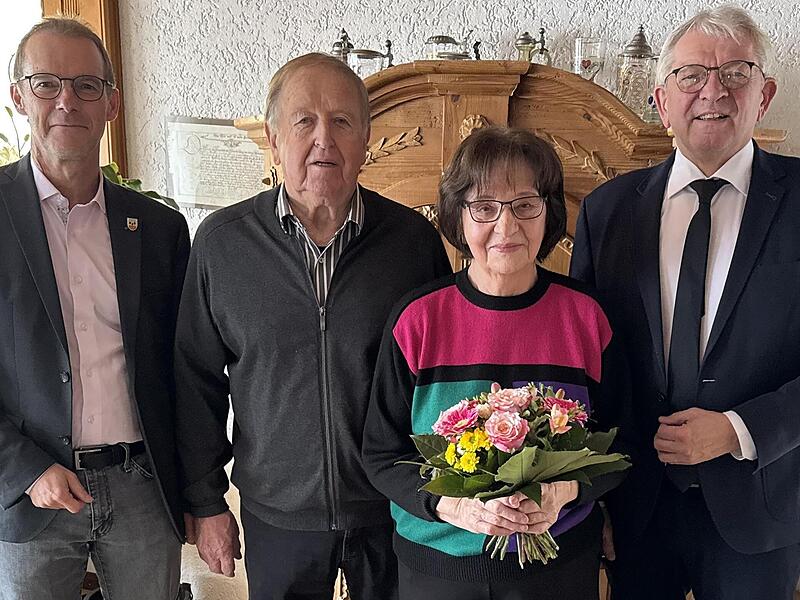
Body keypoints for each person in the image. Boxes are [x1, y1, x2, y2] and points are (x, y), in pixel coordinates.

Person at [174, 52, 451, 599]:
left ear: (366, 142)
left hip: (392, 506)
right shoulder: (222, 244)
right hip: (277, 515)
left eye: (343, 122)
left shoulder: (412, 244)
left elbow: (442, 377)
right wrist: (206, 504)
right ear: (274, 140)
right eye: (304, 121)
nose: (324, 138)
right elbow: (194, 383)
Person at [570, 6, 800, 599]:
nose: (713, 92)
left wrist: (737, 429)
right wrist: (591, 498)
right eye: (692, 75)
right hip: (635, 510)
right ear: (661, 98)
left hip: (763, 508)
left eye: (736, 73)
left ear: (765, 93)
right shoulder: (606, 212)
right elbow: (586, 372)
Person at [363, 126, 627, 600]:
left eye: (525, 205)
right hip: (439, 567)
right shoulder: (416, 319)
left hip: (558, 568)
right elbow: (381, 457)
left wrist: (563, 492)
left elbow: (623, 446)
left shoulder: (588, 317)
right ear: (458, 216)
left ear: (549, 213)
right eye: (484, 208)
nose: (506, 228)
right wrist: (452, 506)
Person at [0, 17, 190, 599]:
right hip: (33, 496)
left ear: (111, 103)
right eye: (46, 84)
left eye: (86, 85)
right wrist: (24, 471)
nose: (67, 101)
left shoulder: (159, 228)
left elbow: (185, 367)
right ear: (17, 96)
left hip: (142, 489)